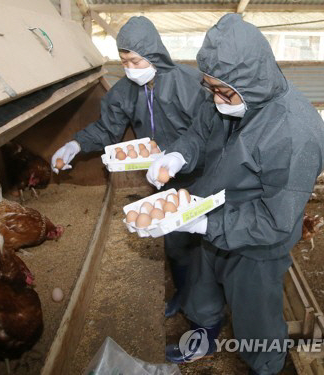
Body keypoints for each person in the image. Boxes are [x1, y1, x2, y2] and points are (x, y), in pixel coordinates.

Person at [146, 14, 324, 374]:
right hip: (213, 208)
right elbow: (199, 133)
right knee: (202, 288)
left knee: (255, 313)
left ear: (250, 81)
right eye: (210, 87)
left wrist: (204, 223)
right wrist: (179, 154)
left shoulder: (296, 134)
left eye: (222, 90)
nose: (215, 97)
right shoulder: (227, 96)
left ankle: (265, 366)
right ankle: (205, 335)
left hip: (257, 239)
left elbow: (275, 221)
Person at [51, 16, 213, 317]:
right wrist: (75, 144)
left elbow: (206, 133)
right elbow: (107, 129)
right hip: (163, 177)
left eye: (136, 61)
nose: (130, 69)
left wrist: (178, 155)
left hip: (199, 171)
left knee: (207, 240)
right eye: (124, 61)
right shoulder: (124, 92)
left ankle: (207, 301)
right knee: (176, 240)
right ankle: (183, 295)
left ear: (153, 55)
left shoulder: (188, 84)